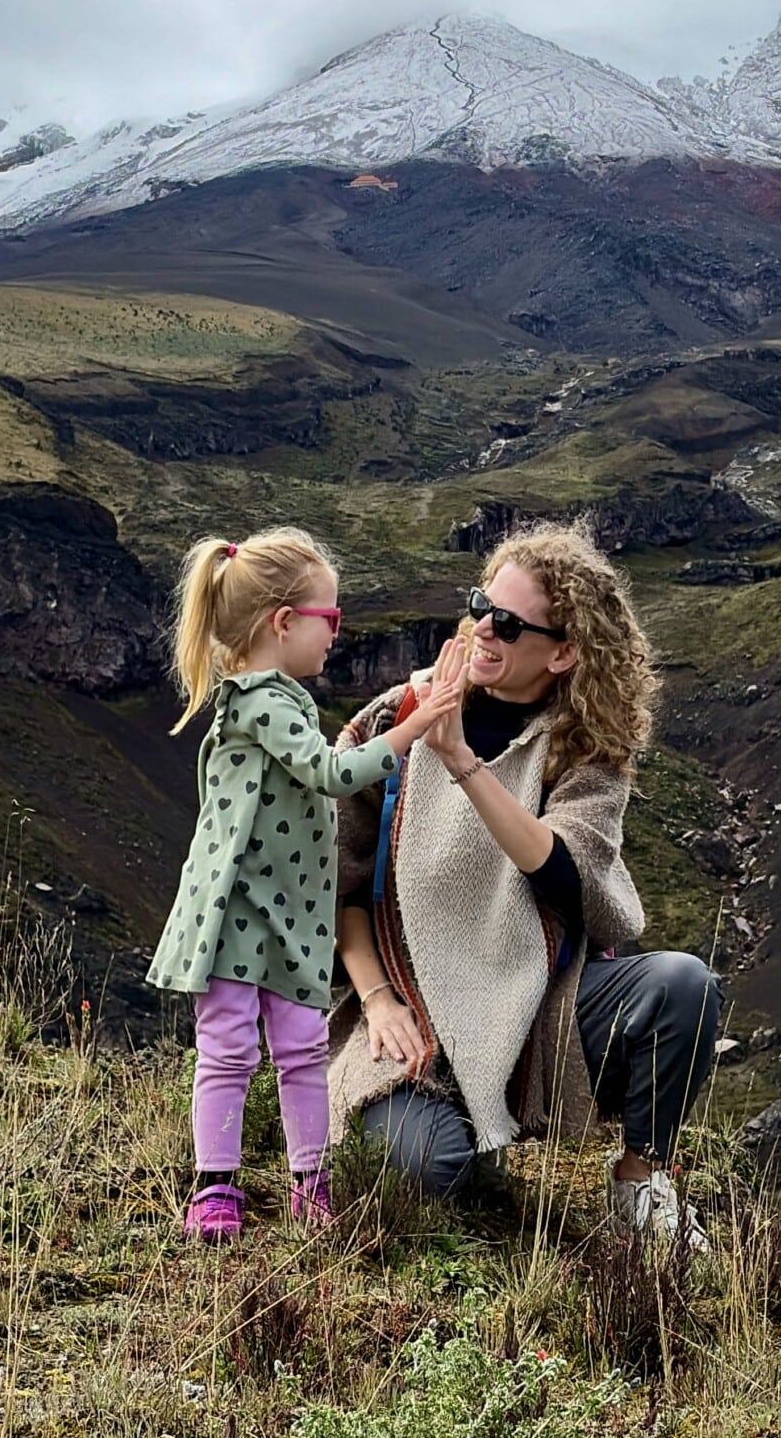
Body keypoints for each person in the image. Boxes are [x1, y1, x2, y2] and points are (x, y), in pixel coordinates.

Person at [330, 523, 723, 1251]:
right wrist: (379, 1001)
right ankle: (463, 1139)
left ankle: (639, 1183)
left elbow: (571, 873)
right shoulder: (392, 720)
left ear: (564, 652)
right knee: (420, 1173)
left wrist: (464, 768)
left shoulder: (586, 751)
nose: (482, 627)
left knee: (682, 986)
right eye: (480, 605)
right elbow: (338, 885)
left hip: (533, 1007)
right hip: (406, 1012)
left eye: (507, 623)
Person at [146, 526, 460, 1243]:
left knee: (284, 1051)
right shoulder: (265, 701)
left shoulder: (267, 697)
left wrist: (409, 705)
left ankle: (296, 1184)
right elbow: (332, 772)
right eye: (331, 620)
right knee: (249, 1052)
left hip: (282, 913)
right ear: (283, 623)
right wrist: (420, 727)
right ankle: (225, 1187)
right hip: (242, 915)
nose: (335, 637)